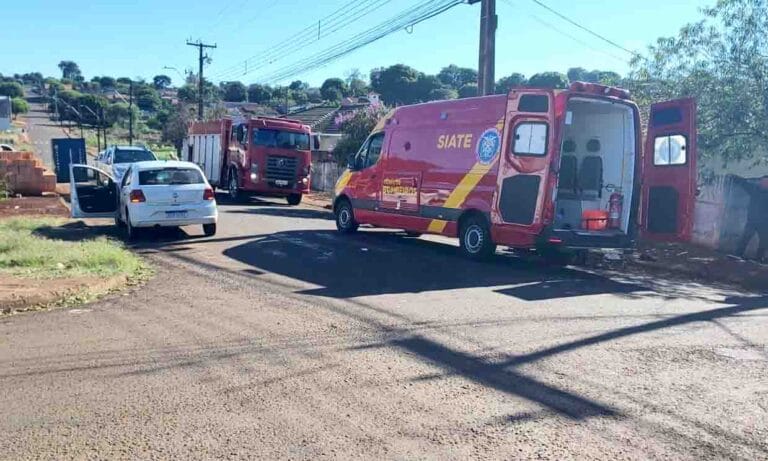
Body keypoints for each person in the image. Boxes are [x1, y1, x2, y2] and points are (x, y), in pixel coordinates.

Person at [732, 175, 768, 262]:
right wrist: (734, 177)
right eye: (763, 181)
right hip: (752, 220)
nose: (763, 183)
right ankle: (737, 254)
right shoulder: (755, 189)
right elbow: (744, 184)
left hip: (764, 223)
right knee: (745, 237)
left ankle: (759, 259)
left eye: (766, 182)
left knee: (764, 241)